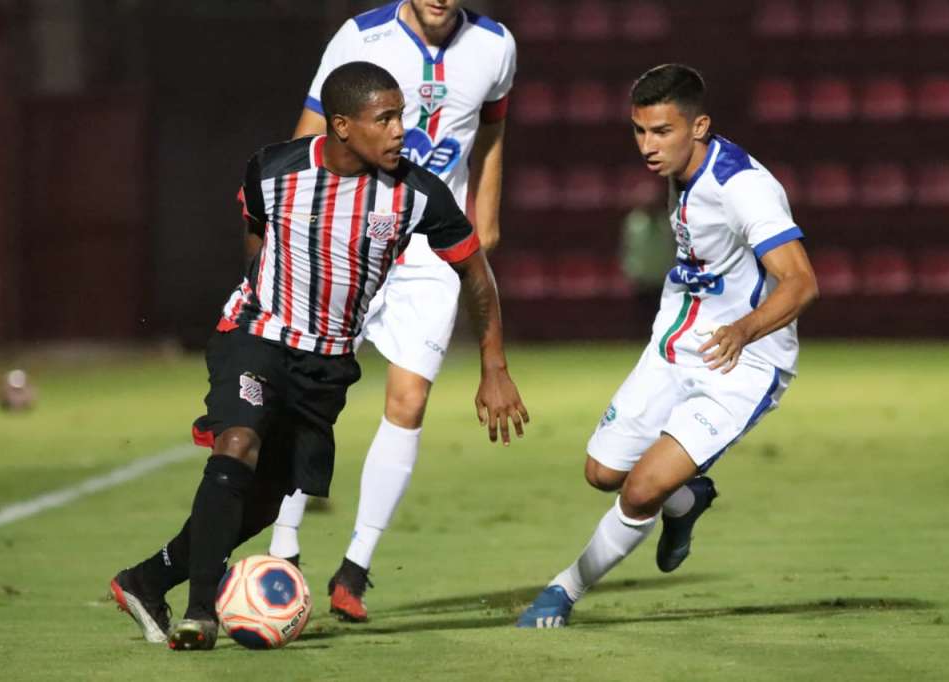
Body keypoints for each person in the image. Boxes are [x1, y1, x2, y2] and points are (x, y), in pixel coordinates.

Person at [108, 61, 528, 650]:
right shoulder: (273, 168)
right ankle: (200, 613)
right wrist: (265, 292)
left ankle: (146, 580)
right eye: (384, 119)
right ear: (341, 126)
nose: (399, 130)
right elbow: (254, 231)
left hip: (327, 365)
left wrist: (494, 366)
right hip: (255, 337)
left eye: (400, 116)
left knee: (264, 498)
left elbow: (474, 272)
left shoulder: (416, 192)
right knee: (239, 443)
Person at [517, 64, 819, 628]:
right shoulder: (683, 170)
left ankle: (562, 591)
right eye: (639, 131)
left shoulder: (743, 187)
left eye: (662, 132)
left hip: (743, 361)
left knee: (639, 491)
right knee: (602, 472)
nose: (648, 147)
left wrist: (743, 330)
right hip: (675, 338)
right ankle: (686, 499)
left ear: (699, 126)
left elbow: (802, 282)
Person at [266, 0, 517, 623]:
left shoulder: (496, 46)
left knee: (408, 402)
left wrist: (485, 213)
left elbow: (491, 131)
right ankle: (283, 548)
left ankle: (355, 568)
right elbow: (311, 129)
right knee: (311, 387)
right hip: (356, 231)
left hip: (432, 241)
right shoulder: (362, 35)